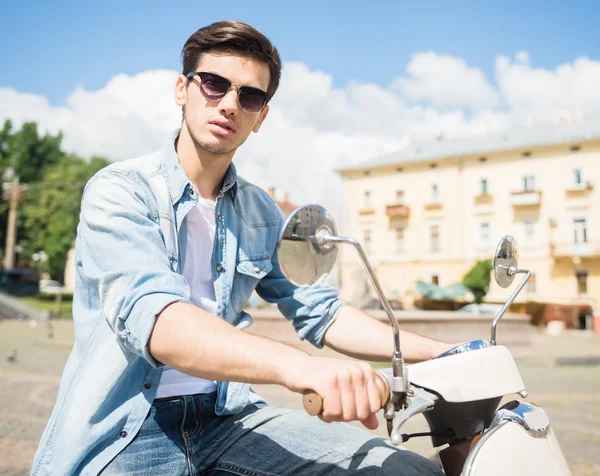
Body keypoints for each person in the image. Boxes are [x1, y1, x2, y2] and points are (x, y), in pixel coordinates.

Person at [32, 20, 451, 475]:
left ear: (261, 116)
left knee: (409, 470)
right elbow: (160, 323)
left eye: (249, 96)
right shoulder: (120, 191)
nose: (229, 104)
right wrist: (302, 368)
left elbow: (320, 311)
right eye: (213, 84)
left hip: (226, 415)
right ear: (182, 90)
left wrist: (446, 352)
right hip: (128, 425)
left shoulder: (260, 211)